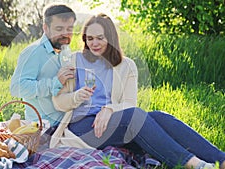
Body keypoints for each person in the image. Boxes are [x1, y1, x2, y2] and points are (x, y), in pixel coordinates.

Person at [52, 13, 225, 169]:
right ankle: (196, 165)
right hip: (82, 128)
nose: (94, 43)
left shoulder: (126, 65)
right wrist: (75, 96)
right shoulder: (75, 60)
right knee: (135, 117)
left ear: (110, 38)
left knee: (159, 117)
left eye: (100, 38)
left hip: (113, 124)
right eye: (89, 38)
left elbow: (129, 103)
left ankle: (221, 160)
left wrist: (109, 109)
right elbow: (58, 102)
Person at [10, 3, 76, 126]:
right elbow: (17, 87)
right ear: (46, 28)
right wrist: (55, 83)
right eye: (59, 29)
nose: (66, 34)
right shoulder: (33, 52)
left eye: (69, 29)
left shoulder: (65, 49)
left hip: (66, 119)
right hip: (44, 125)